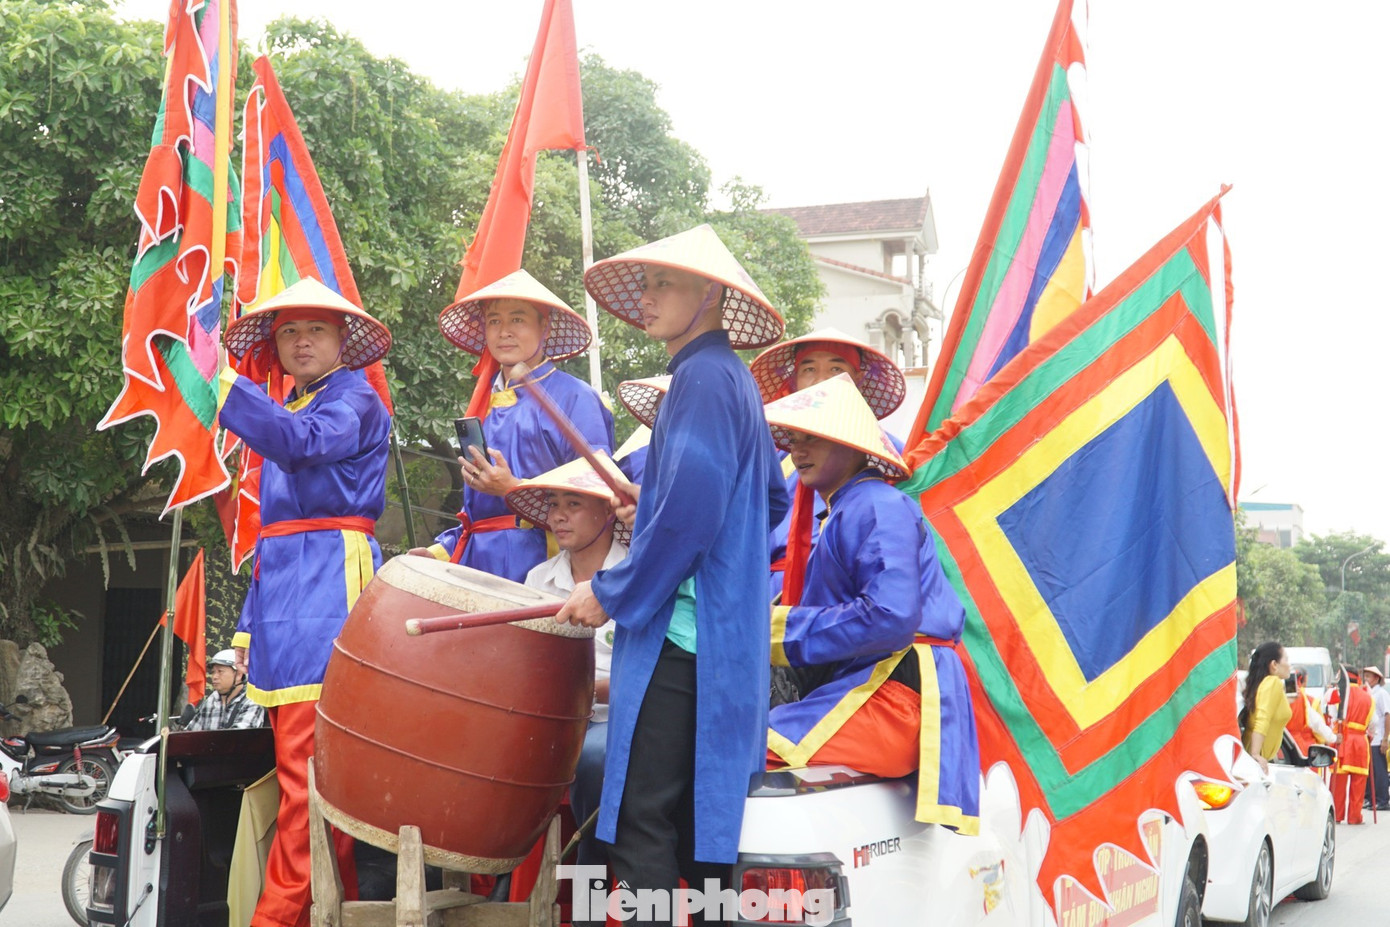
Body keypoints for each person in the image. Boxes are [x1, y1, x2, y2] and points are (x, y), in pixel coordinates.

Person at [557, 224, 788, 925]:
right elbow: (766, 500)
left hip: (682, 642)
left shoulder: (702, 377)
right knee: (700, 837)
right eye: (647, 283)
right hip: (717, 642)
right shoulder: (731, 381)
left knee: (641, 827)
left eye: (665, 283)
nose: (648, 298)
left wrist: (610, 590)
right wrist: (655, 511)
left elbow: (690, 514)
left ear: (711, 292)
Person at [219, 276, 393, 927]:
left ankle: (277, 916)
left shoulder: (354, 400)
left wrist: (222, 385)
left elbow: (301, 445)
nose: (299, 341)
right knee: (307, 773)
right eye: (288, 330)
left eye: (314, 329)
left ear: (342, 338)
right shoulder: (291, 406)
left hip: (326, 589)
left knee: (309, 777)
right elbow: (270, 538)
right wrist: (243, 634)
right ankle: (326, 907)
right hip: (282, 593)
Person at [761, 374, 979, 831]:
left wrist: (775, 630)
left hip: (896, 689)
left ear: (855, 445)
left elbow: (891, 616)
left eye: (814, 439)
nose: (798, 450)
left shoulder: (875, 503)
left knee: (741, 748)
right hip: (874, 683)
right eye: (795, 439)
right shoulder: (849, 507)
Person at [423, 270, 614, 581]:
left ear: (545, 326)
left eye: (518, 320)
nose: (504, 332)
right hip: (477, 563)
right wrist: (439, 551)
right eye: (494, 321)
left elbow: (597, 494)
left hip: (543, 561)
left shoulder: (575, 398)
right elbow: (478, 516)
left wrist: (514, 489)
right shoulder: (484, 403)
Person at [506, 453, 631, 904]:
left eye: (573, 504)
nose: (558, 515)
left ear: (606, 511)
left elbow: (647, 673)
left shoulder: (635, 572)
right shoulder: (539, 577)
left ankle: (591, 889)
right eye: (554, 503)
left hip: (617, 715)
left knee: (594, 759)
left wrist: (581, 692)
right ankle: (505, 880)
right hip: (555, 717)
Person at [749, 329, 908, 602]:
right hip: (769, 593)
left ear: (857, 379)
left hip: (844, 596)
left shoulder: (887, 454)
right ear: (796, 381)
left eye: (836, 368)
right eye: (809, 369)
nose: (822, 380)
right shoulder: (773, 455)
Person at [1240, 641, 1292, 774]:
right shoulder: (1273, 682)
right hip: (1254, 762)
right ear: (1274, 664)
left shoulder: (1262, 684)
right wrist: (1256, 754)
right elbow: (1263, 718)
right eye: (1286, 659)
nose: (1289, 665)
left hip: (1250, 757)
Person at [1329, 666, 1373, 824]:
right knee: (1359, 782)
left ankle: (1337, 815)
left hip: (1343, 740)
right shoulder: (1368, 698)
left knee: (1338, 782)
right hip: (1361, 741)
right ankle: (1355, 816)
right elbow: (1372, 723)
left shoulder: (1338, 695)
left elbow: (1331, 717)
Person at [185, 649, 267, 732]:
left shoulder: (252, 702)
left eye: (220, 671)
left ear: (239, 674)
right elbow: (190, 735)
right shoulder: (212, 700)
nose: (214, 677)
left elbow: (240, 739)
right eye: (213, 672)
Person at [1362, 665, 1390, 810]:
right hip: (1368, 737)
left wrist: (1385, 738)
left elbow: (1387, 715)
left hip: (1378, 738)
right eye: (1365, 676)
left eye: (1368, 676)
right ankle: (1370, 798)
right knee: (1369, 772)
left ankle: (1382, 800)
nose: (1365, 679)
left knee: (1379, 771)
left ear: (1376, 678)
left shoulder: (1381, 694)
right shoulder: (1368, 693)